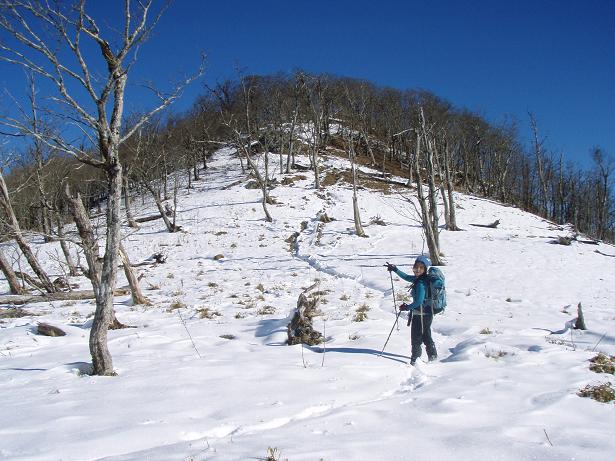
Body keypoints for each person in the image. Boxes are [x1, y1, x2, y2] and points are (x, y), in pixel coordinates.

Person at [387, 255, 437, 365]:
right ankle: (433, 356)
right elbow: (406, 277)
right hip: (426, 313)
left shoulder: (421, 283)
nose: (417, 270)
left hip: (421, 314)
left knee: (416, 338)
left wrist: (407, 307)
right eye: (416, 267)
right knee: (426, 335)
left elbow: (418, 301)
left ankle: (415, 360)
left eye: (421, 268)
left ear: (425, 269)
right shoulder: (419, 278)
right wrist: (395, 269)